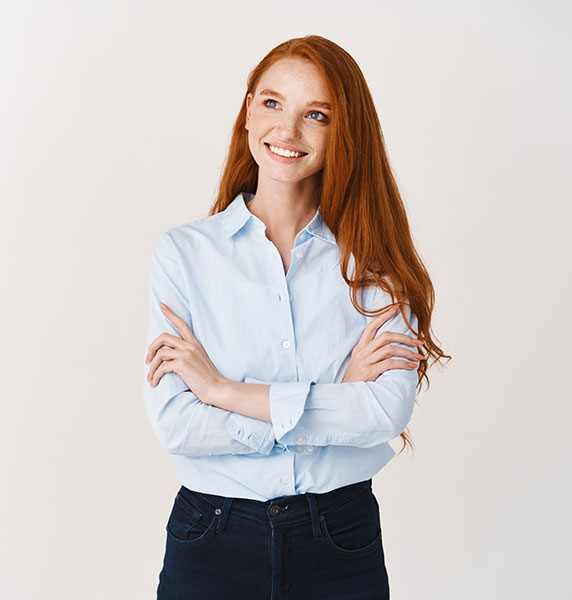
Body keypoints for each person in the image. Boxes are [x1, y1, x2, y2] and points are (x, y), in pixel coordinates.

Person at [143, 34, 449, 600]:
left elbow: (383, 410)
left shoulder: (375, 263)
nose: (286, 131)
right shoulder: (184, 254)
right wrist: (331, 397)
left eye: (317, 114)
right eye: (272, 103)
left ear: (343, 133)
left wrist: (223, 390)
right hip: (212, 534)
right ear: (247, 112)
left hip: (338, 539)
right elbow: (176, 425)